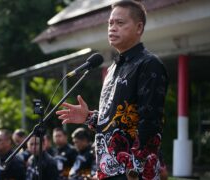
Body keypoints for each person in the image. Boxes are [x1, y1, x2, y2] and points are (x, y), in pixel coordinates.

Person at [56, 1, 169, 179]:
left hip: (132, 172)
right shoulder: (112, 69)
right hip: (108, 170)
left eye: (120, 23)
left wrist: (133, 169)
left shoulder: (149, 64)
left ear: (139, 27)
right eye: (110, 23)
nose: (112, 28)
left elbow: (150, 122)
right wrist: (89, 117)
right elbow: (114, 122)